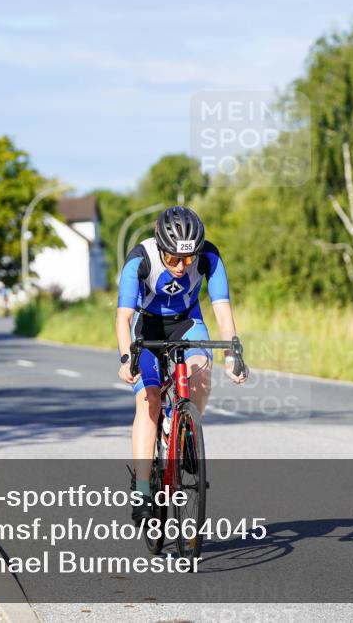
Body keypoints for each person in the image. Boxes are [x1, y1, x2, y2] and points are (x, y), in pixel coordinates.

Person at [115, 206, 248, 522]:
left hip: (187, 322)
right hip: (146, 328)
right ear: (160, 247)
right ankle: (143, 486)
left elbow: (222, 309)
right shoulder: (140, 259)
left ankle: (184, 429)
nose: (180, 266)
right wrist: (126, 359)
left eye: (187, 259)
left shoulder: (209, 257)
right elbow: (124, 317)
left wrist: (233, 356)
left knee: (201, 372)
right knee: (149, 399)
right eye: (172, 258)